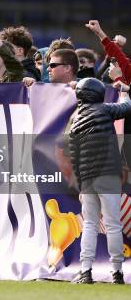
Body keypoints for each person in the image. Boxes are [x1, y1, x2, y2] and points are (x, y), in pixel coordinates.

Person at [69, 78, 131, 284]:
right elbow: (127, 107)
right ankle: (117, 272)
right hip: (108, 175)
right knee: (113, 224)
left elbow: (73, 155)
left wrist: (80, 183)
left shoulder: (76, 119)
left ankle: (85, 271)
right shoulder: (104, 110)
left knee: (90, 224)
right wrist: (124, 91)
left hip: (87, 179)